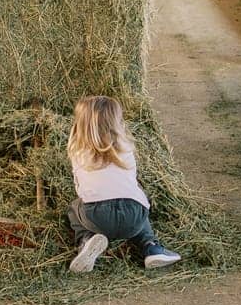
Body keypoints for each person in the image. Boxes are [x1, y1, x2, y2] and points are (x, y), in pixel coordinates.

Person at [65, 94, 181, 273]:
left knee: (74, 207)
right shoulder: (126, 146)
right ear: (117, 123)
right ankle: (151, 247)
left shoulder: (77, 150)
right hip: (133, 215)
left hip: (97, 217)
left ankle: (86, 240)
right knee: (137, 195)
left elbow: (79, 188)